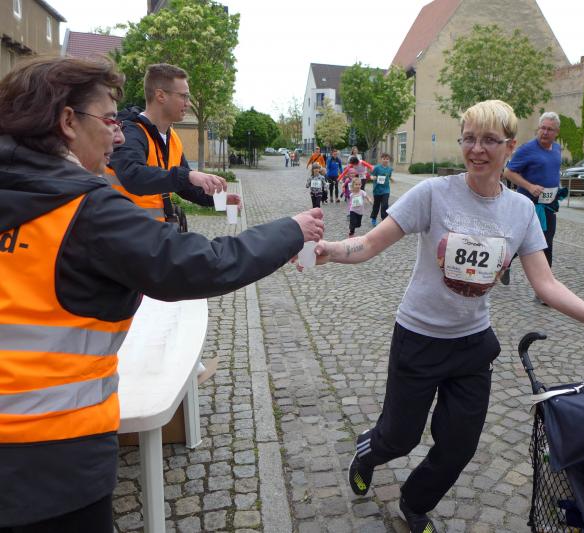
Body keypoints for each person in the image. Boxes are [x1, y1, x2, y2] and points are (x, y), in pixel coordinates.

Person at [0, 56, 324, 531]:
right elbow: (201, 265)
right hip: (54, 457)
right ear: (68, 122)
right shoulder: (83, 209)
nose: (116, 136)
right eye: (109, 120)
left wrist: (212, 195)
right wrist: (290, 231)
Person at [310, 100, 584, 533]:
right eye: (469, 138)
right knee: (400, 438)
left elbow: (546, 284)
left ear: (510, 146)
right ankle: (369, 451)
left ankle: (414, 503)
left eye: (489, 140)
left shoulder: (520, 211)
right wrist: (332, 250)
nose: (477, 149)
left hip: (472, 345)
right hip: (418, 338)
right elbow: (372, 243)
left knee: (459, 445)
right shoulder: (433, 194)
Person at [108, 63, 240, 228]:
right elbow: (133, 175)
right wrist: (188, 175)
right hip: (123, 234)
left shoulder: (173, 139)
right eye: (184, 96)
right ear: (160, 96)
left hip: (153, 235)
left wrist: (218, 199)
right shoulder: (129, 133)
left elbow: (185, 186)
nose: (188, 103)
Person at [503, 111, 564, 285]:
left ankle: (545, 286)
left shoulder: (557, 149)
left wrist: (557, 189)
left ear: (556, 132)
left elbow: (552, 171)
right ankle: (504, 263)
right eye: (542, 128)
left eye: (550, 129)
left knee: (546, 243)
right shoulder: (527, 149)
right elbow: (508, 172)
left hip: (548, 204)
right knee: (521, 240)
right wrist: (530, 186)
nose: (545, 132)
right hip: (529, 205)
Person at [370, 153, 393, 227]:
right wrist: (372, 177)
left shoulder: (390, 169)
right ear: (381, 159)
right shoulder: (377, 168)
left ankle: (384, 219)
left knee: (385, 205)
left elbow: (389, 176)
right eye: (384, 159)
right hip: (377, 190)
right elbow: (371, 175)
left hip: (386, 190)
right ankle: (374, 218)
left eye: (387, 159)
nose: (385, 160)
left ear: (389, 160)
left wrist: (391, 179)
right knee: (376, 206)